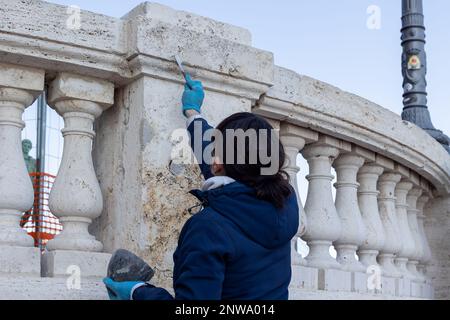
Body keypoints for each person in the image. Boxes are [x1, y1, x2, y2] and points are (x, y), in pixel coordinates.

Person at [103, 74, 299, 300]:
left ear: (218, 164)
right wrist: (193, 114)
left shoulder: (208, 228)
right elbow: (229, 171)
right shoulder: (284, 205)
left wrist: (138, 293)